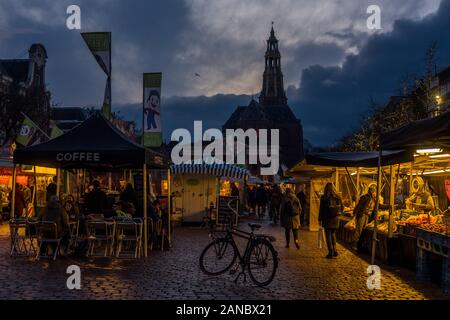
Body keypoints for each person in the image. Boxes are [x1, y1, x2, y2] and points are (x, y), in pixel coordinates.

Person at [319, 183, 343, 259]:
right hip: (336, 219)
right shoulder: (338, 197)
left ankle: (330, 252)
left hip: (327, 219)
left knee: (328, 235)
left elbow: (321, 210)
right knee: (333, 234)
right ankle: (335, 250)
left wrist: (319, 219)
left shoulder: (324, 197)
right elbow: (342, 207)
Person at [353, 185, 377, 252]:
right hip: (362, 215)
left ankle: (360, 245)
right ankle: (355, 244)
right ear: (371, 192)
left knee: (363, 230)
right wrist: (355, 213)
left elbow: (379, 206)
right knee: (359, 229)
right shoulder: (365, 197)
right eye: (374, 192)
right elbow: (359, 206)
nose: (375, 193)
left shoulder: (374, 199)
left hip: (368, 216)